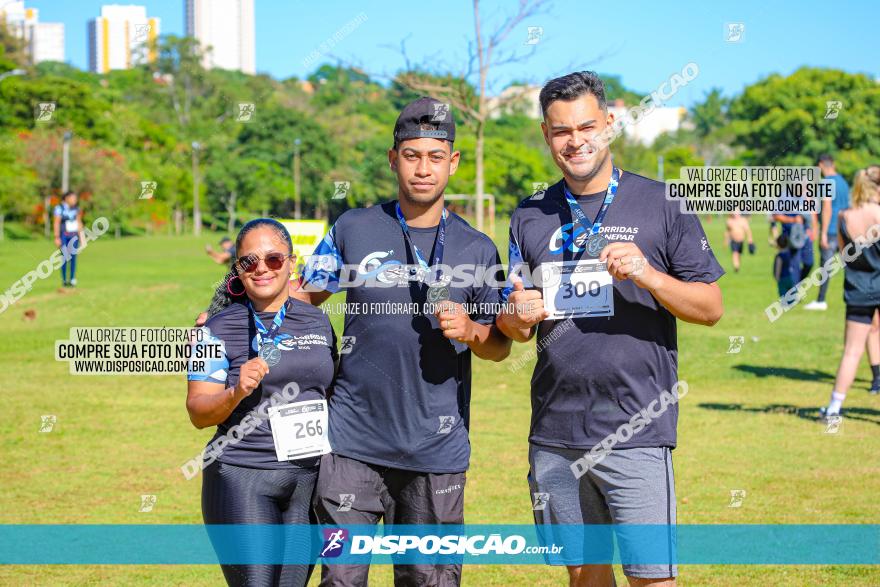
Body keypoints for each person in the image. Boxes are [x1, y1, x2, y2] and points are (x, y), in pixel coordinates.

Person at [496, 71, 724, 587]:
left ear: (610, 125)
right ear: (545, 135)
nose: (575, 141)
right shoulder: (529, 215)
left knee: (651, 578)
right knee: (584, 575)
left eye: (586, 126)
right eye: (560, 131)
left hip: (637, 426)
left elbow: (711, 306)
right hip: (555, 431)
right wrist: (517, 314)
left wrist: (648, 273)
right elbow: (512, 329)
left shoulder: (662, 202)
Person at [295, 97, 510, 586]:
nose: (423, 169)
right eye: (411, 155)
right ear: (394, 159)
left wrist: (472, 331)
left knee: (428, 579)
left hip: (435, 451)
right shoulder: (353, 227)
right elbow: (302, 296)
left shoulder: (477, 247)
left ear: (452, 163)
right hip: (350, 445)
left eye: (435, 157)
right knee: (340, 580)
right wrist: (229, 302)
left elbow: (500, 345)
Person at [187, 218, 337, 587]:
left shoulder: (318, 322)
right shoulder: (215, 328)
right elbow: (197, 412)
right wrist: (236, 391)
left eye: (273, 259)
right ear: (237, 269)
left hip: (308, 480)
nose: (262, 269)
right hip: (242, 475)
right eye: (249, 262)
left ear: (292, 262)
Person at [820, 170, 880, 419]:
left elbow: (846, 256)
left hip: (857, 289)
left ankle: (834, 408)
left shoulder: (845, 216)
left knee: (851, 352)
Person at [805, 154, 851, 311]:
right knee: (848, 266)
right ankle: (851, 297)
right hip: (846, 230)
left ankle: (820, 301)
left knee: (825, 267)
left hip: (831, 230)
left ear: (820, 165)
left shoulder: (826, 182)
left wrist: (823, 232)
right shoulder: (844, 182)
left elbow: (827, 208)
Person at [53, 190, 83, 287]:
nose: (75, 200)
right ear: (66, 198)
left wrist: (82, 238)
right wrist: (57, 237)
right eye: (73, 198)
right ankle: (64, 279)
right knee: (65, 257)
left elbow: (79, 222)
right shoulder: (59, 208)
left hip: (74, 236)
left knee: (73, 257)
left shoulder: (76, 209)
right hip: (64, 236)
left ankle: (73, 278)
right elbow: (56, 222)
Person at [773, 234, 798, 306]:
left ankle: (785, 304)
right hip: (791, 276)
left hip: (782, 278)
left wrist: (776, 277)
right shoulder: (790, 253)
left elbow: (778, 267)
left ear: (778, 244)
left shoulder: (779, 256)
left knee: (783, 292)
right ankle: (792, 302)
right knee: (792, 291)